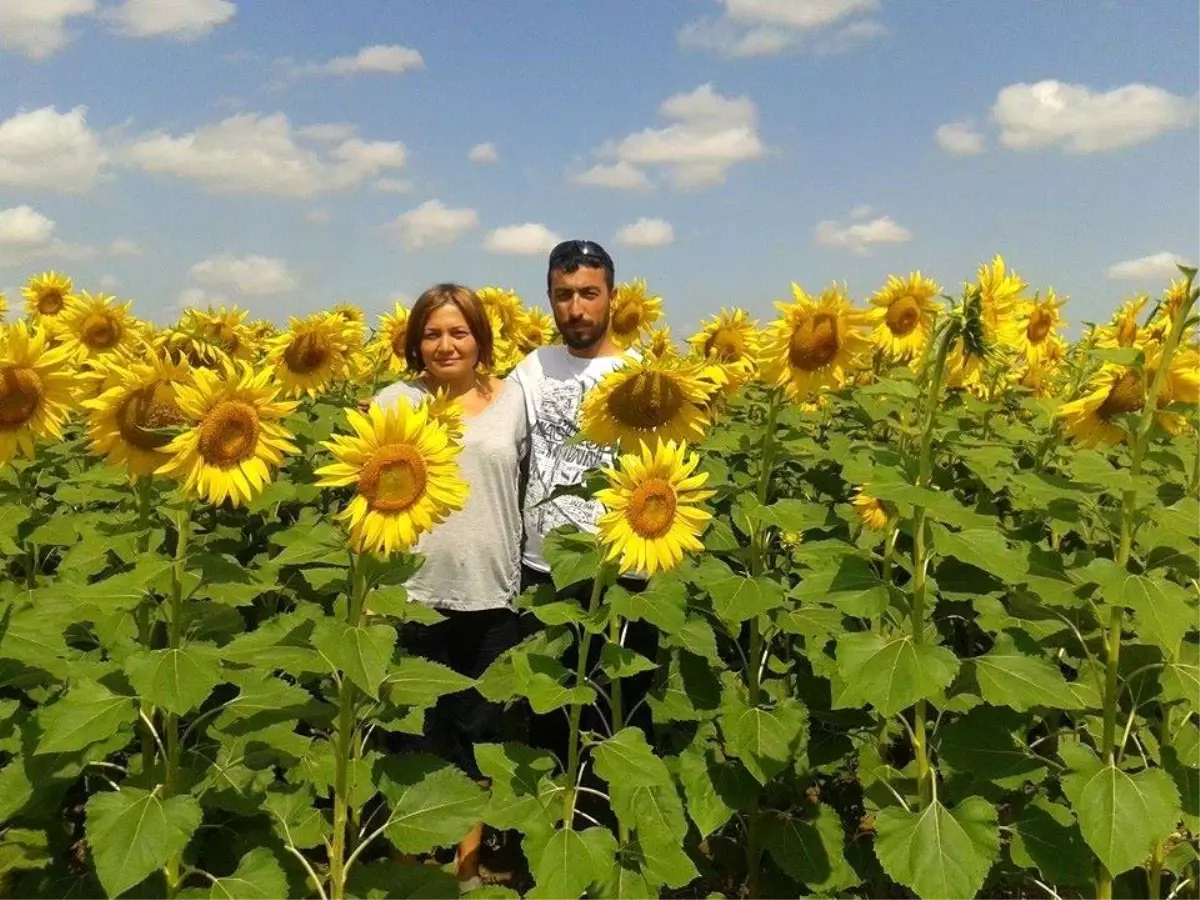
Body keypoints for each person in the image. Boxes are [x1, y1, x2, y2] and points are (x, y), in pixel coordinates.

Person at [373, 283, 527, 891]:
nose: (445, 344)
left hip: (491, 592)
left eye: (458, 332)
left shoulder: (514, 401)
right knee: (412, 736)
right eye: (432, 333)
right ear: (415, 343)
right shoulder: (393, 402)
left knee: (478, 738)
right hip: (412, 590)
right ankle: (410, 870)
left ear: (480, 339)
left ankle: (466, 868)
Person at [509, 240, 655, 804]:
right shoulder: (534, 368)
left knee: (618, 703)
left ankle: (607, 815)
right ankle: (554, 814)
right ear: (549, 300)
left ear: (612, 298)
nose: (577, 308)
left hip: (621, 569)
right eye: (564, 296)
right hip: (545, 566)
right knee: (548, 709)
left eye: (589, 294)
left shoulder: (641, 376)